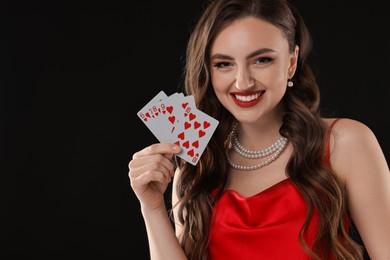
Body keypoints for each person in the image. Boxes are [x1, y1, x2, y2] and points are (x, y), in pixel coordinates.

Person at [128, 0, 390, 259]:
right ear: (208, 70)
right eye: (224, 64)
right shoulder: (197, 162)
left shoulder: (344, 142)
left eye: (261, 60)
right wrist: (152, 208)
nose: (243, 82)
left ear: (291, 61)